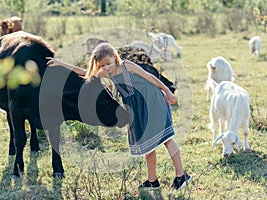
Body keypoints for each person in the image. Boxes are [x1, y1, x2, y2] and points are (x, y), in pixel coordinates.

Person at [46, 43, 192, 191]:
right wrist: (61, 64)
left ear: (115, 58)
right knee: (147, 144)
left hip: (151, 100)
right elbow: (85, 73)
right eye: (102, 65)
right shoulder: (106, 72)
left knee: (166, 138)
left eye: (108, 63)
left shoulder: (127, 66)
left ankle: (181, 175)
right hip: (136, 107)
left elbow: (150, 77)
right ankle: (152, 180)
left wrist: (168, 91)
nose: (106, 67)